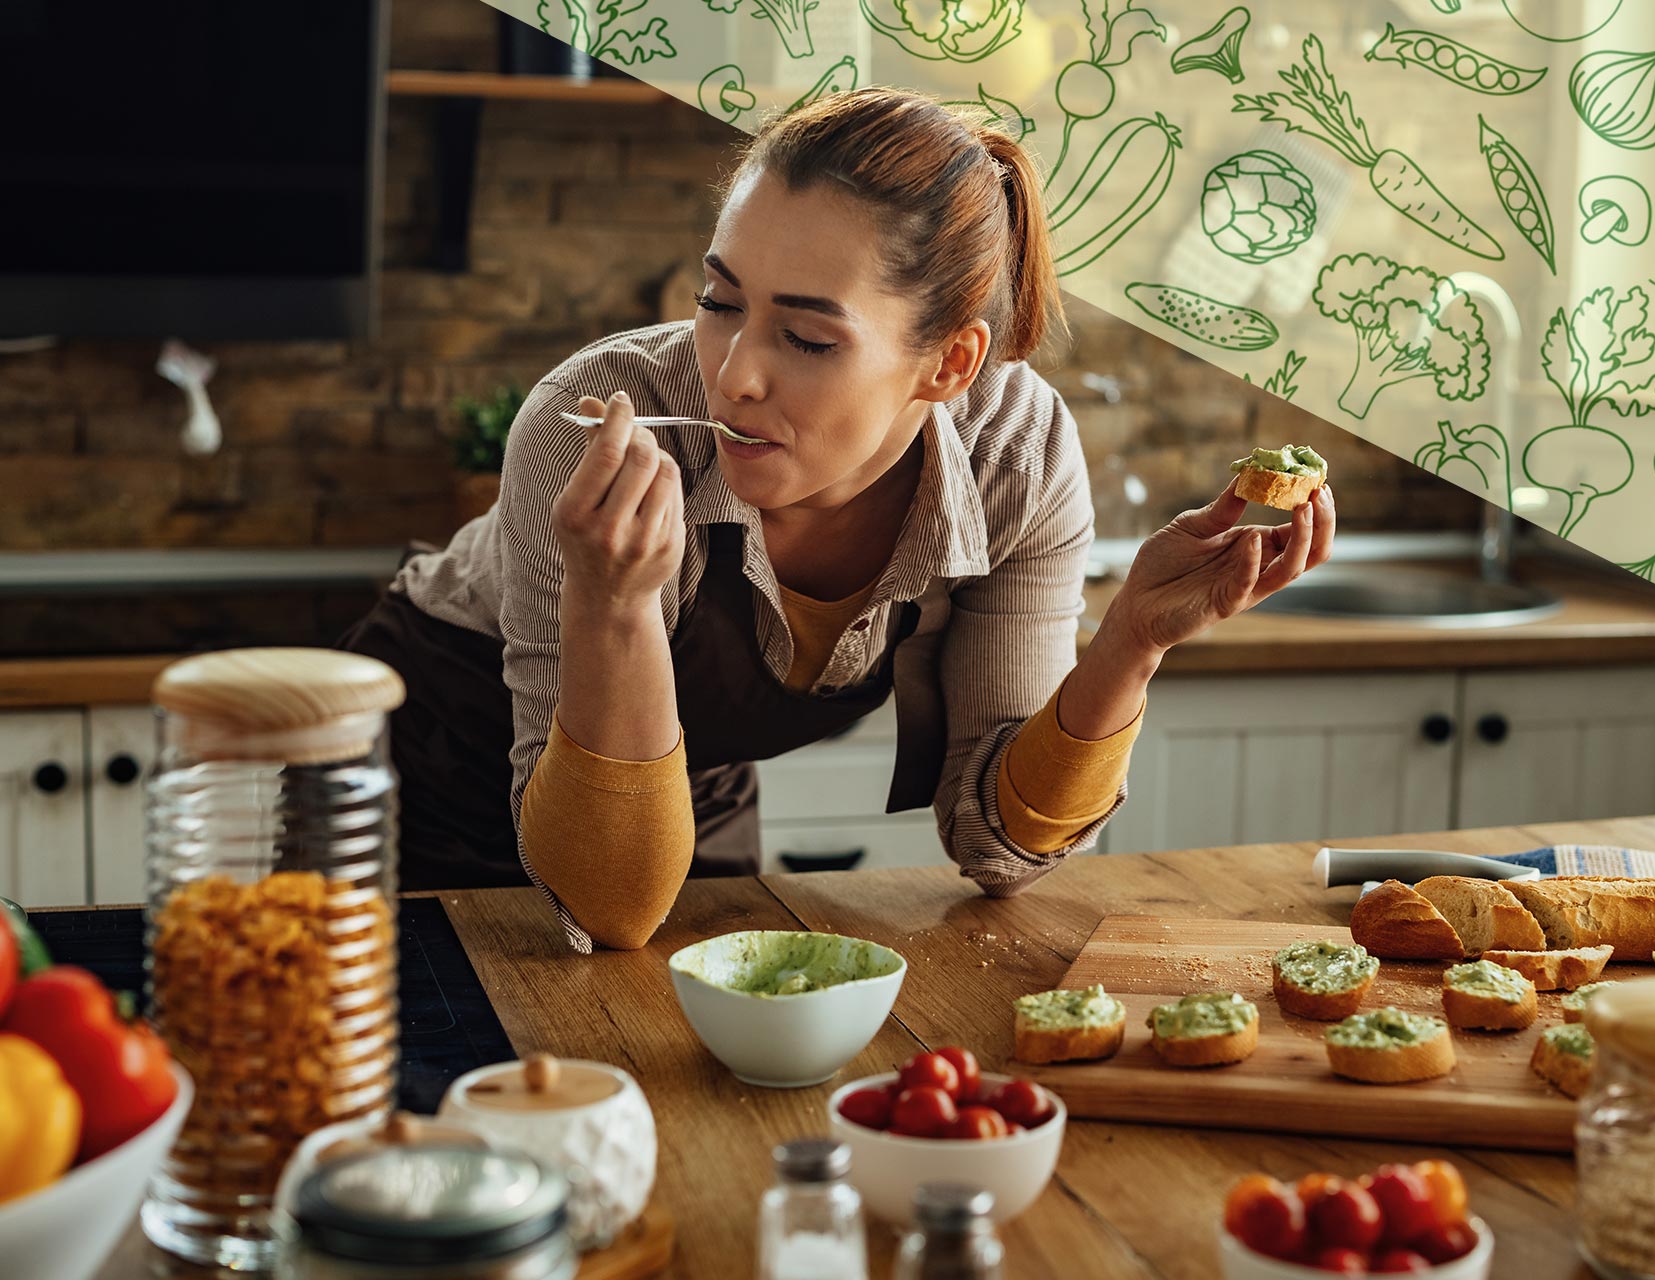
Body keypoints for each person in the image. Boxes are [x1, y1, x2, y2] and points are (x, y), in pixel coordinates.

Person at [341, 86, 1335, 953]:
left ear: (948, 364)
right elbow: (602, 904)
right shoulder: (604, 419)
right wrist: (610, 606)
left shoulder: (1014, 455)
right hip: (436, 773)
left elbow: (996, 845)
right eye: (719, 300)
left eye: (808, 337)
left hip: (684, 782)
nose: (735, 375)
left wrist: (1128, 642)